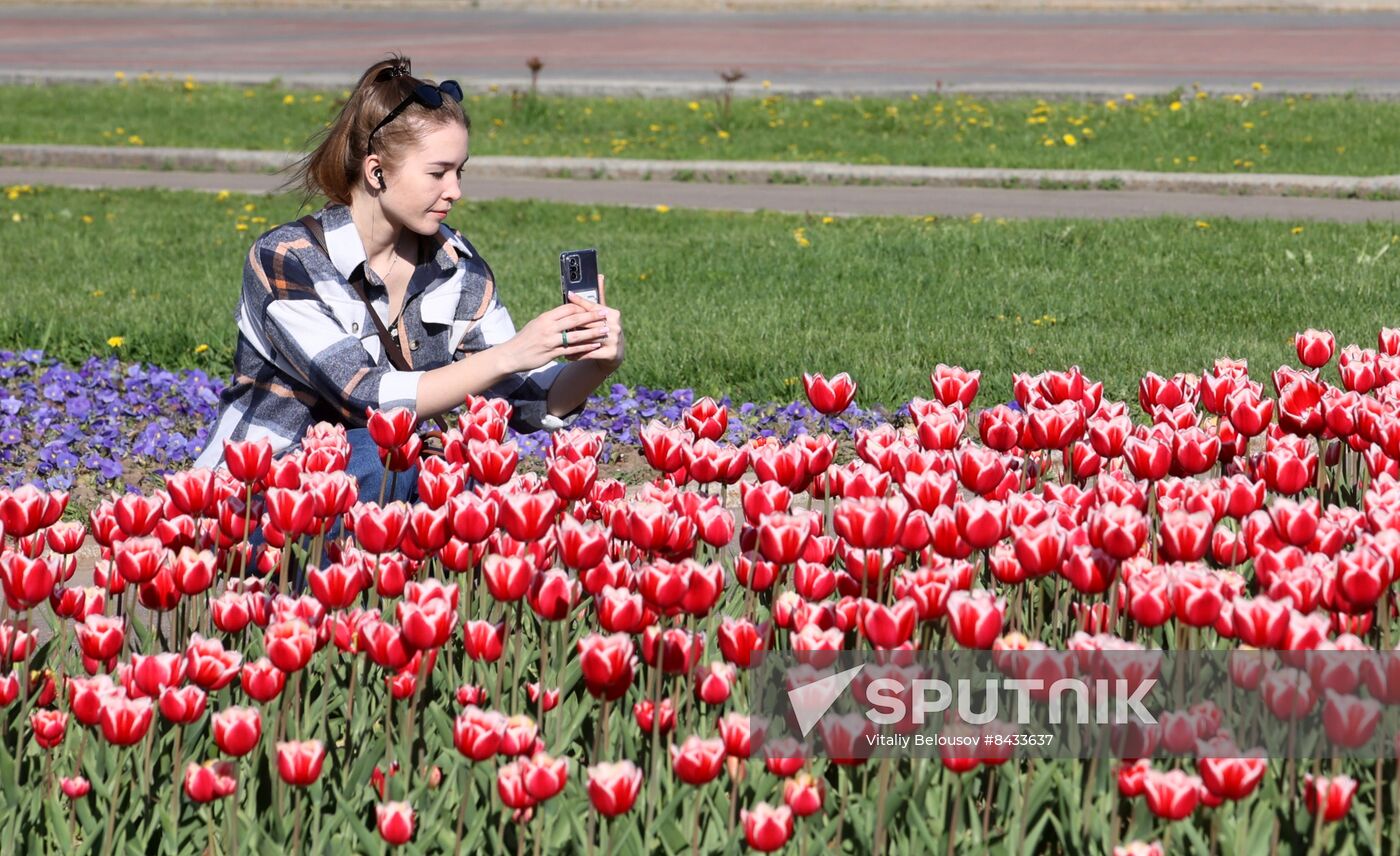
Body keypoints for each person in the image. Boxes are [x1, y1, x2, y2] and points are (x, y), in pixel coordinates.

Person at [193, 54, 624, 502]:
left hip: (378, 487)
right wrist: (510, 354)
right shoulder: (288, 259)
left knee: (460, 471)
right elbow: (364, 395)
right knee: (387, 455)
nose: (455, 191)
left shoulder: (455, 263)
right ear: (376, 171)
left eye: (460, 171)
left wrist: (596, 364)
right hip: (260, 500)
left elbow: (526, 401)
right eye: (438, 173)